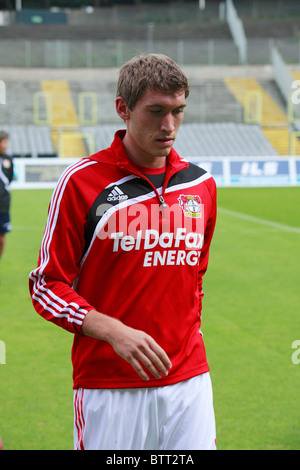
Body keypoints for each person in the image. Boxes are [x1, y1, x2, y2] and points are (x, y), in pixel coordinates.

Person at [29, 54, 217, 451]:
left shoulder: (201, 185)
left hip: (189, 383)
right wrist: (113, 331)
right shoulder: (81, 183)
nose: (169, 126)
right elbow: (47, 285)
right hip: (110, 387)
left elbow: (195, 276)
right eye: (156, 111)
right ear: (123, 109)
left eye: (178, 111)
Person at [0, 131, 13, 261]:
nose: (6, 145)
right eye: (4, 142)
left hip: (3, 206)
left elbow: (9, 179)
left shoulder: (8, 159)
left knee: (2, 239)